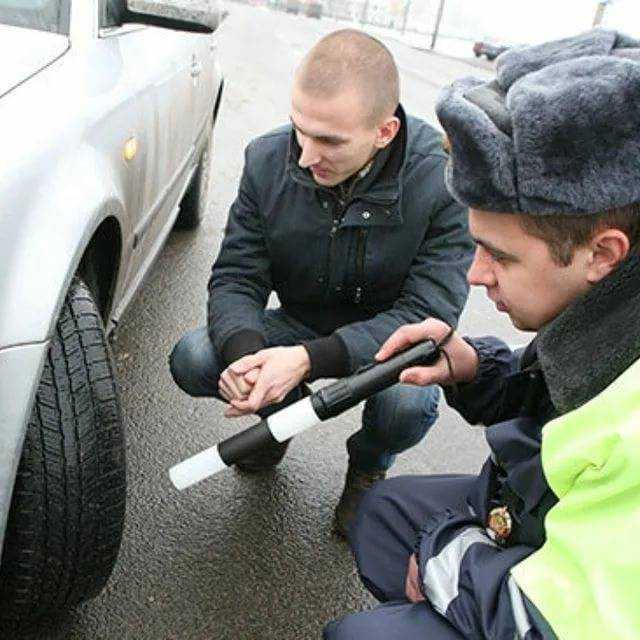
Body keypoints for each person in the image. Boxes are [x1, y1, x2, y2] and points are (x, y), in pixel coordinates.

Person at [325, 28, 640, 638]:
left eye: (500, 256)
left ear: (602, 253)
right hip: (535, 513)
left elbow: (541, 622)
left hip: (558, 611)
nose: (474, 275)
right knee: (384, 515)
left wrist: (449, 550)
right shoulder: (612, 305)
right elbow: (558, 393)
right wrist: (471, 366)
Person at [169, 29, 473, 535]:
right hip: (299, 319)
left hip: (390, 340)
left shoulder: (442, 179)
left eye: (329, 140)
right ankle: (278, 419)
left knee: (409, 399)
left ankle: (369, 465)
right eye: (299, 130)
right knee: (196, 356)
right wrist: (249, 358)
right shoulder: (266, 160)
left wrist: (309, 360)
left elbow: (431, 316)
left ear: (385, 132)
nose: (306, 157)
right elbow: (237, 275)